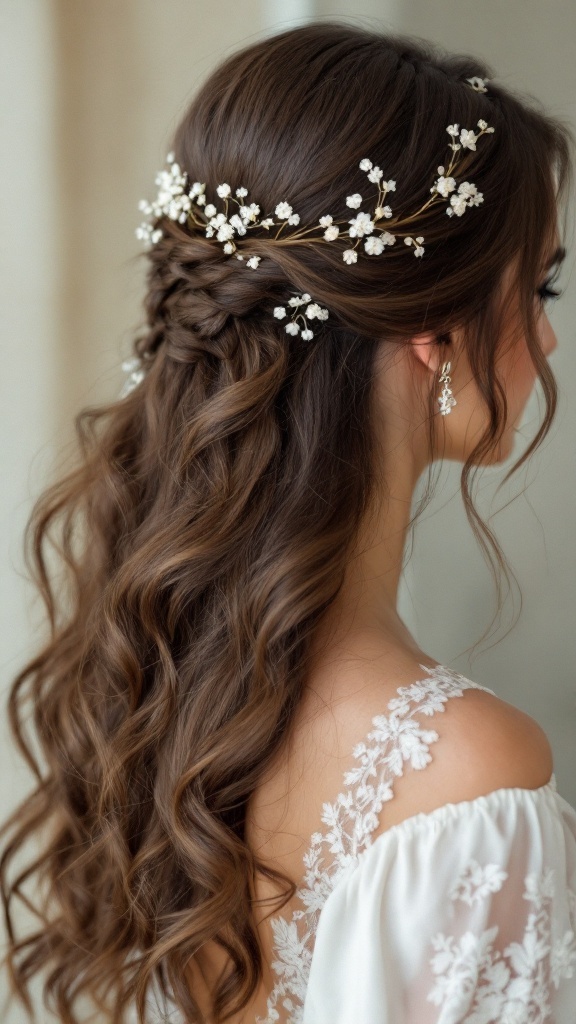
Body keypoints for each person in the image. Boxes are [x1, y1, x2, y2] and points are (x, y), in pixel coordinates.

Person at [1, 19, 575, 1024]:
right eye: (536, 286)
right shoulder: (469, 781)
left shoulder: (167, 682)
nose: (548, 333)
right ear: (434, 329)